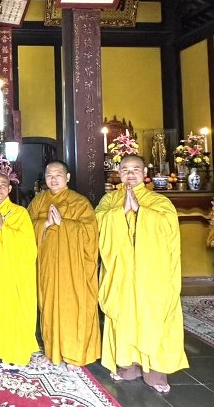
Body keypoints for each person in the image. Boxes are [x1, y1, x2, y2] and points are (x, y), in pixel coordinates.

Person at [96, 154, 189, 393]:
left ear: (144, 172)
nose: (130, 174)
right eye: (125, 170)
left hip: (152, 274)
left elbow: (168, 229)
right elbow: (98, 225)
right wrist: (119, 212)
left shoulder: (159, 201)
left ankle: (155, 372)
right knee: (124, 314)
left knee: (153, 316)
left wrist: (140, 211)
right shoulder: (109, 200)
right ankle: (127, 366)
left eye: (135, 169)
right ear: (118, 173)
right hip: (122, 273)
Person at [28, 161, 100, 372]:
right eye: (49, 175)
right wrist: (44, 224)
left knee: (72, 307)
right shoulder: (38, 201)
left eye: (58, 174)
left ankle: (74, 355)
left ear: (67, 177)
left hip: (72, 268)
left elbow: (91, 234)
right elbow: (25, 231)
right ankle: (52, 352)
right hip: (47, 266)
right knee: (48, 307)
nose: (53, 179)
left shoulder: (80, 202)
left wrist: (63, 223)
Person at [0, 172, 39, 367]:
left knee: (12, 312)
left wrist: (5, 229)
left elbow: (29, 246)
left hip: (12, 272)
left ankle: (13, 355)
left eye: (2, 184)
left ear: (9, 189)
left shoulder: (20, 213)